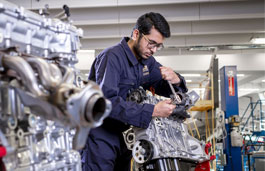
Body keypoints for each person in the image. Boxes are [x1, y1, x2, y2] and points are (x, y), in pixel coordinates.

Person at [81, 12, 188, 171]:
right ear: (136, 33)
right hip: (101, 137)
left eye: (158, 46)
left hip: (126, 137)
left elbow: (162, 84)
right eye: (151, 43)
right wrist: (153, 110)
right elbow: (106, 103)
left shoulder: (147, 63)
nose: (154, 50)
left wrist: (176, 79)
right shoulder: (112, 57)